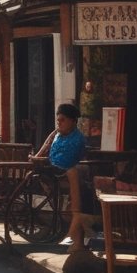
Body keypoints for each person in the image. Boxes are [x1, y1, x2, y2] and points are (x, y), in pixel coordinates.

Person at [32, 103, 91, 251]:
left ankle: (74, 228)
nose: (59, 123)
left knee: (73, 171)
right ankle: (64, 230)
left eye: (63, 120)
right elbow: (50, 152)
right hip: (54, 171)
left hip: (67, 173)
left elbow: (67, 160)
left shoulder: (77, 138)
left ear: (73, 121)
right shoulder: (57, 135)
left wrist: (48, 162)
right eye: (58, 120)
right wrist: (40, 156)